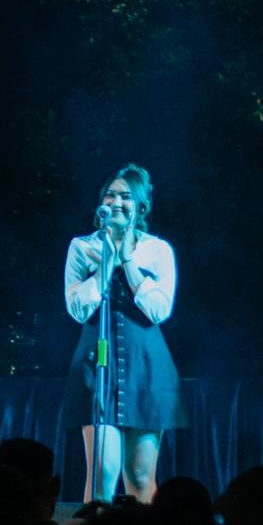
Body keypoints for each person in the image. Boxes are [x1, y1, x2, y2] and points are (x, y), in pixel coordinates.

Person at [62, 164, 180, 505]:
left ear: (140, 206)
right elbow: (77, 309)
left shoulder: (158, 250)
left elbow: (159, 310)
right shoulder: (82, 248)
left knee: (142, 476)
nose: (117, 201)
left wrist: (126, 258)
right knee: (103, 472)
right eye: (110, 195)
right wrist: (106, 260)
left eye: (126, 196)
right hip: (97, 363)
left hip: (146, 363)